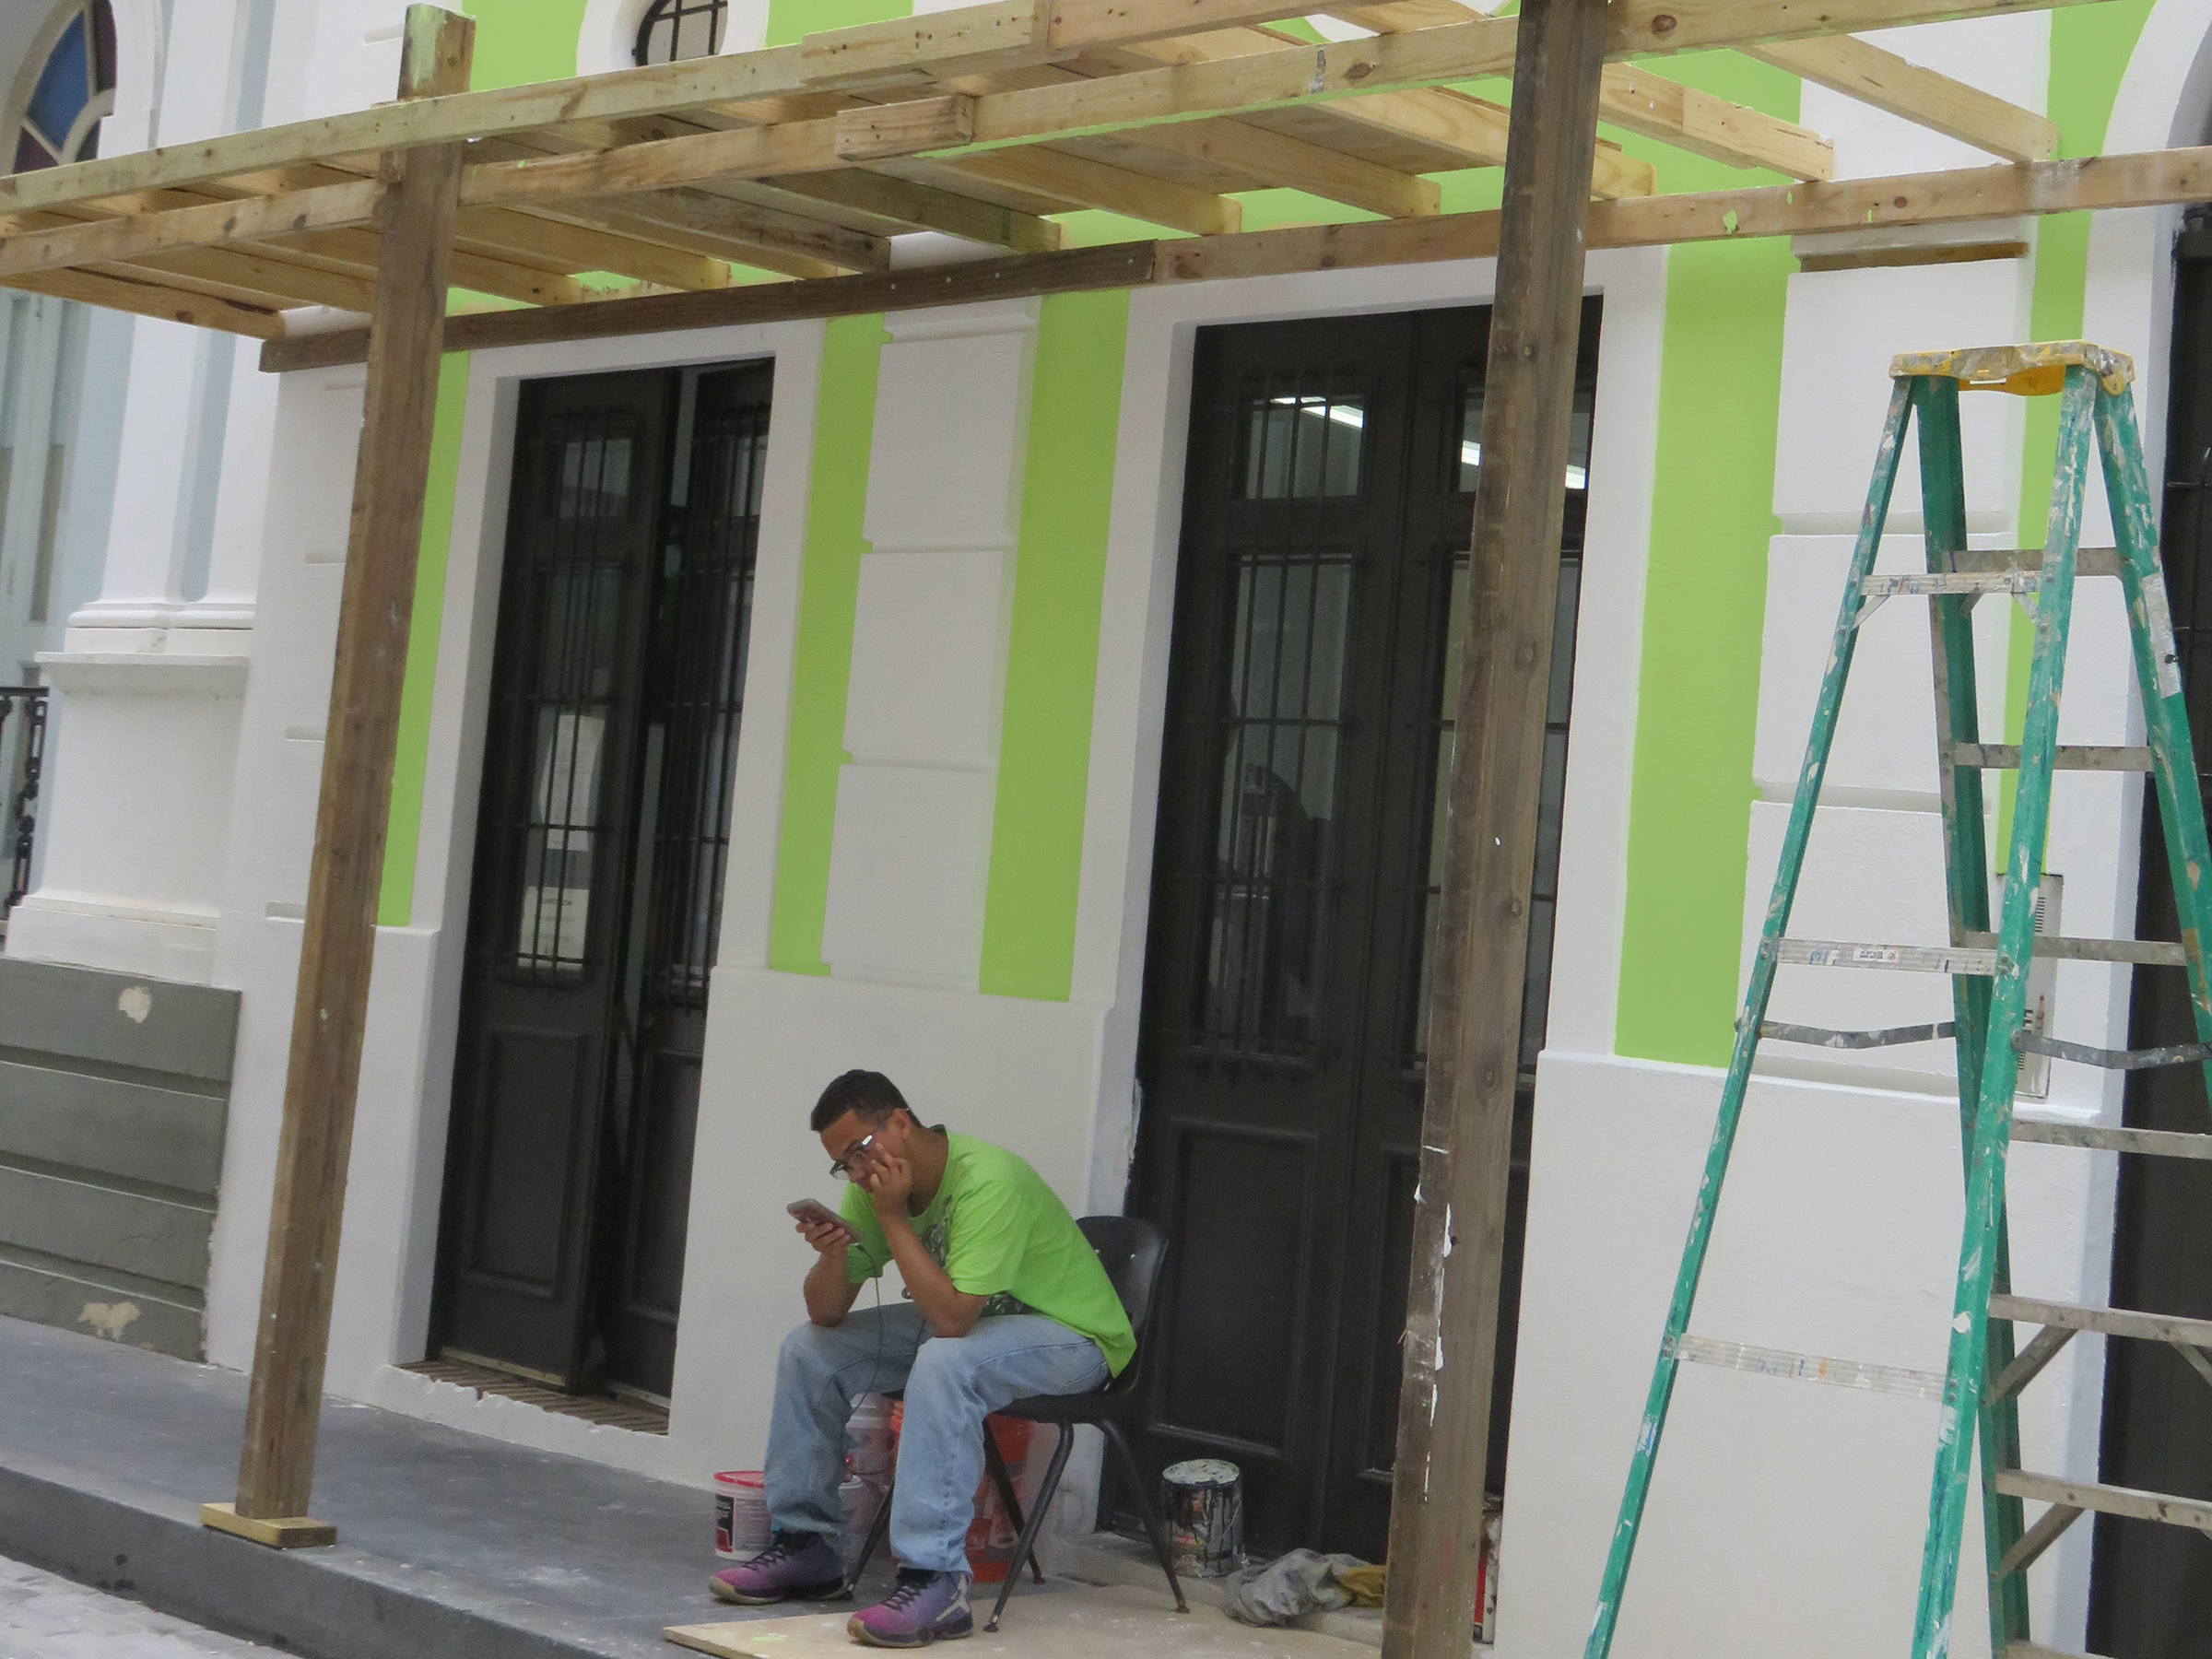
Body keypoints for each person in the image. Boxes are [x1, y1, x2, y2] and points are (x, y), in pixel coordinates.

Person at [710, 1070, 1135, 1648]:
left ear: (902, 1123)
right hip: (978, 1324)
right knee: (807, 1350)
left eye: (859, 1152)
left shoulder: (988, 1179)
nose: (856, 1173)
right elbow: (824, 1315)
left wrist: (889, 1219)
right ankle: (808, 1546)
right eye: (843, 1164)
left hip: (1074, 1337)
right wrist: (835, 1255)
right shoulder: (874, 1183)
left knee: (944, 1359)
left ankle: (936, 1578)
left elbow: (953, 1321)